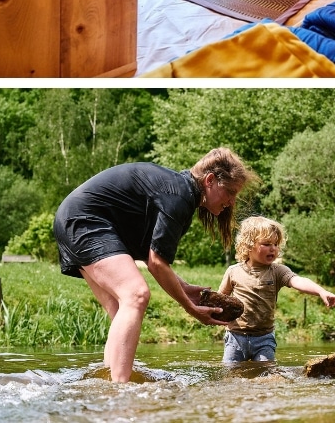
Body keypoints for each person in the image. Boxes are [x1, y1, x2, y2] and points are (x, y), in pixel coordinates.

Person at [53, 147, 260, 382]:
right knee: (136, 294)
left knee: (120, 306)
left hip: (76, 218)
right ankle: (121, 389)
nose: (232, 201)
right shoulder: (179, 195)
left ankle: (108, 381)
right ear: (210, 180)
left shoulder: (179, 192)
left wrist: (183, 287)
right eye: (230, 192)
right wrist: (190, 307)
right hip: (84, 220)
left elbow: (150, 255)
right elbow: (157, 263)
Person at [219, 216, 335, 363]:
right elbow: (221, 298)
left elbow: (299, 280)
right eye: (266, 243)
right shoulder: (233, 271)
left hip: (264, 339)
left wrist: (321, 291)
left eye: (276, 244)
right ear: (248, 245)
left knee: (267, 375)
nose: (273, 248)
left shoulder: (277, 271)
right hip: (235, 337)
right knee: (230, 376)